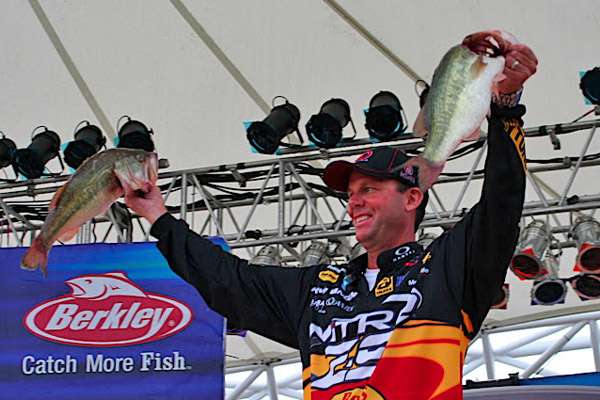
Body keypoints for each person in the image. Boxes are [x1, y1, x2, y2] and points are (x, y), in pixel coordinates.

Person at [125, 35, 537, 400]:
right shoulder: (319, 289)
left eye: (369, 189)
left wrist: (504, 108)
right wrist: (158, 216)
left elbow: (501, 203)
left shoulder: (447, 269)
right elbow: (227, 280)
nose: (354, 202)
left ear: (412, 197)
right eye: (351, 193)